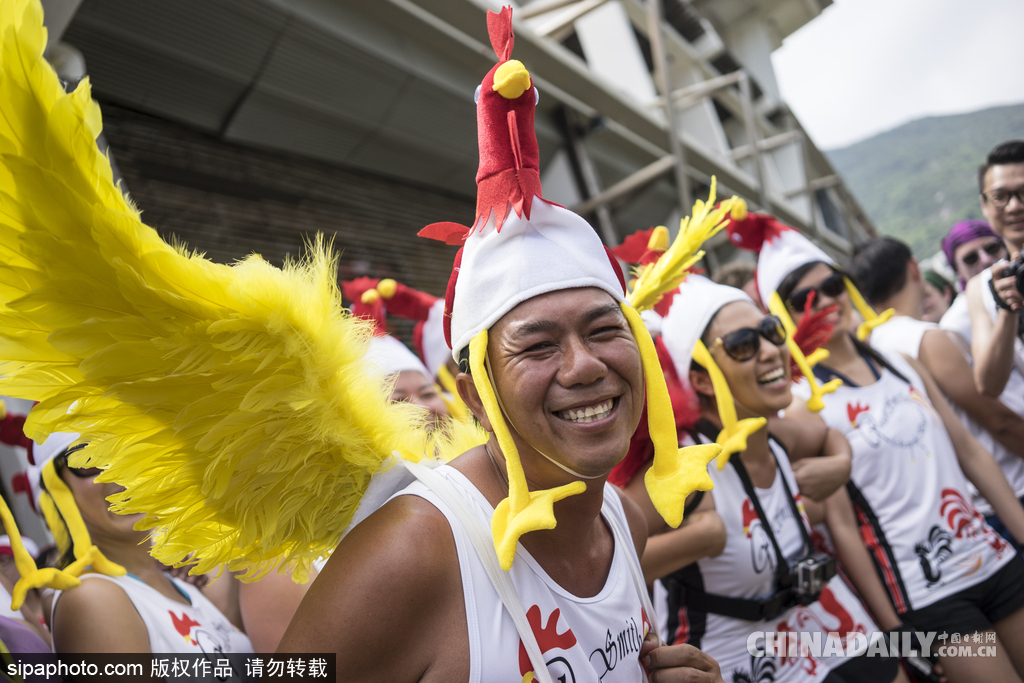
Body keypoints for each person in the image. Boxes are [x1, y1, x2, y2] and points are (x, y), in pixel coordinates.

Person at [0, 4, 729, 679]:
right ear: (475, 388)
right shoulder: (412, 548)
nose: (584, 365)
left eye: (606, 330)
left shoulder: (618, 517)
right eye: (537, 345)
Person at [728, 212, 1024, 683]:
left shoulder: (900, 360)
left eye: (832, 285)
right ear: (783, 315)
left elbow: (969, 453)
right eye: (804, 297)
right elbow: (843, 529)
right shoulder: (805, 406)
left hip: (993, 555)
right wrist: (900, 639)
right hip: (930, 595)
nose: (825, 300)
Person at [620, 275, 905, 683]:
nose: (772, 351)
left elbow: (829, 436)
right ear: (701, 380)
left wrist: (840, 464)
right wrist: (697, 539)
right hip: (727, 661)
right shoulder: (682, 467)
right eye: (742, 345)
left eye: (771, 332)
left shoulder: (779, 433)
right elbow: (596, 557)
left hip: (803, 634)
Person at [850, 237, 1024, 543]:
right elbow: (998, 420)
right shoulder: (924, 338)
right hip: (1009, 490)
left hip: (962, 504)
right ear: (914, 268)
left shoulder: (873, 347)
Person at [35, 433, 253, 656]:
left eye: (129, 449)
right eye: (88, 459)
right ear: (56, 489)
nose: (119, 472)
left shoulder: (182, 581)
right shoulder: (92, 598)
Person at [967, 141, 1024, 396]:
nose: (1014, 206)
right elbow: (988, 386)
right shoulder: (981, 287)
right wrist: (1006, 309)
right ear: (984, 204)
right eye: (1000, 197)